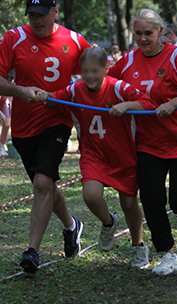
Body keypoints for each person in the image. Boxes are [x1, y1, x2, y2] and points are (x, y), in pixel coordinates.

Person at [108, 9, 177, 276]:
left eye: (148, 33)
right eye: (138, 33)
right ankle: (168, 254)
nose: (143, 38)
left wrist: (172, 103)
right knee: (151, 199)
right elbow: (106, 83)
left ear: (160, 32)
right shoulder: (127, 61)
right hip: (148, 143)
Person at [0, 0, 91, 274]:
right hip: (23, 127)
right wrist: (20, 90)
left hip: (56, 122)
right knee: (45, 185)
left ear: (55, 12)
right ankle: (71, 225)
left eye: (42, 15)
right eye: (32, 15)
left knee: (43, 183)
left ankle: (32, 251)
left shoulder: (74, 40)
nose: (37, 21)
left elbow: (98, 71)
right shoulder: (13, 38)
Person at [37, 46, 155, 268]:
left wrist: (127, 105)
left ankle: (138, 245)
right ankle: (108, 222)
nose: (90, 76)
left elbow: (147, 103)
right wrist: (42, 96)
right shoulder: (75, 90)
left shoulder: (119, 88)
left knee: (129, 204)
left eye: (95, 71)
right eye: (86, 71)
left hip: (123, 156)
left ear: (106, 68)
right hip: (94, 155)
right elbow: (57, 99)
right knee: (91, 196)